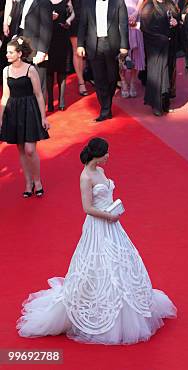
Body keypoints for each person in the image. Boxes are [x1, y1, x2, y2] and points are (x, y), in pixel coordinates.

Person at [17, 137, 177, 344]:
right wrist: (108, 216)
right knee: (97, 265)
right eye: (106, 153)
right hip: (99, 226)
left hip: (113, 225)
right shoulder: (85, 177)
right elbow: (87, 208)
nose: (109, 156)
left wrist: (114, 210)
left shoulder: (100, 171)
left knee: (120, 264)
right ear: (97, 154)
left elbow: (105, 196)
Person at [0, 37, 49, 198]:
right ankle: (28, 183)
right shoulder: (5, 71)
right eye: (7, 52)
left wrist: (44, 117)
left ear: (19, 54)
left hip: (29, 110)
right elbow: (5, 96)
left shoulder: (30, 69)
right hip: (13, 111)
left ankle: (38, 181)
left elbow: (38, 94)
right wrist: (1, 119)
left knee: (30, 149)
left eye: (10, 52)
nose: (7, 55)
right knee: (21, 149)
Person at [77, 0, 129, 122]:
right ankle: (105, 109)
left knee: (112, 77)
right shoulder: (87, 3)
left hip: (112, 44)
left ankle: (107, 104)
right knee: (99, 79)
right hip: (94, 45)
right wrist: (80, 44)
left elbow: (123, 24)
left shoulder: (118, 3)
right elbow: (82, 24)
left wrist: (124, 46)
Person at [140, 0, 179, 116]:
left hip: (169, 47)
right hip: (155, 48)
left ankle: (165, 104)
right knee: (156, 74)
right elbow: (145, 28)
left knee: (167, 73)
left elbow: (177, 21)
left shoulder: (170, 4)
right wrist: (161, 39)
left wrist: (175, 23)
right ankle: (156, 105)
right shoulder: (149, 6)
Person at [46, 0, 74, 111]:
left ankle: (61, 100)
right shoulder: (44, 1)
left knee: (62, 69)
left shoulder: (67, 0)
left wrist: (69, 20)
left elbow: (73, 12)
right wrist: (49, 17)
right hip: (48, 37)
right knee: (49, 71)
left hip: (62, 36)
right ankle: (50, 101)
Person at [121, 0, 145, 99]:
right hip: (119, 18)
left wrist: (135, 13)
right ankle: (123, 82)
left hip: (136, 18)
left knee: (136, 54)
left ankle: (132, 82)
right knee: (121, 54)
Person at [68, 0, 89, 96]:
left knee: (91, 49)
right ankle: (81, 82)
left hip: (91, 17)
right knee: (77, 50)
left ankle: (86, 76)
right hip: (75, 18)